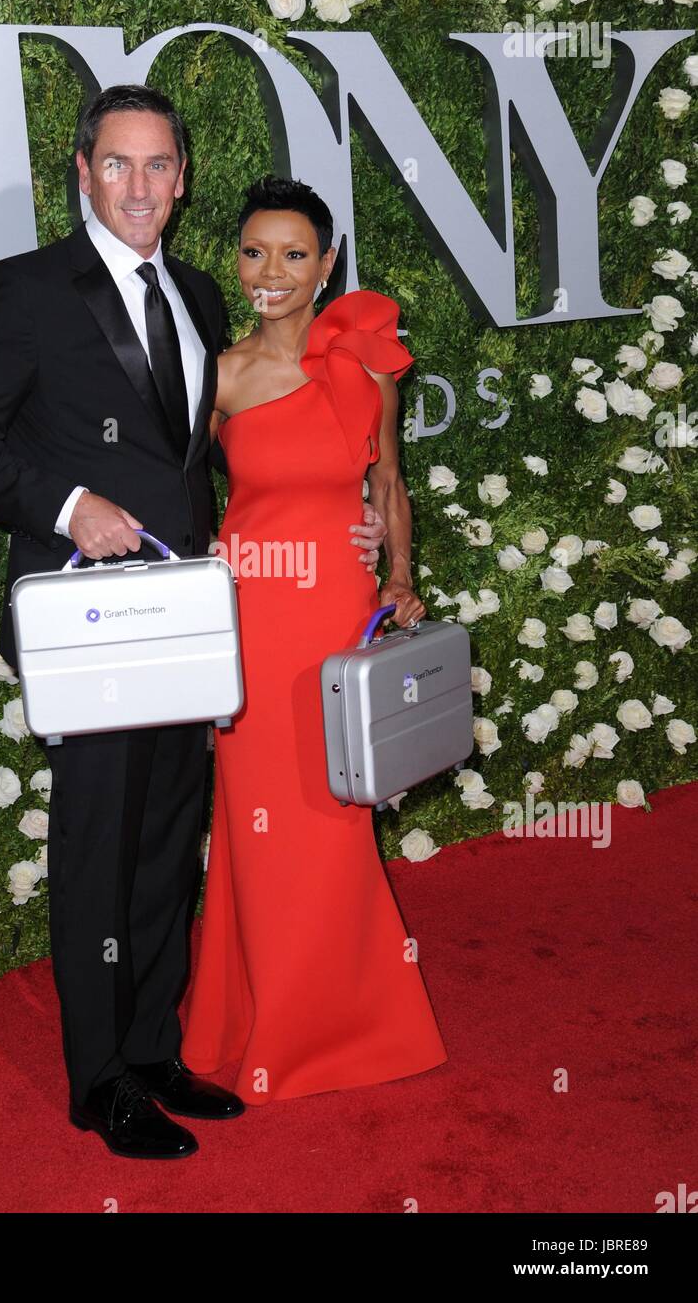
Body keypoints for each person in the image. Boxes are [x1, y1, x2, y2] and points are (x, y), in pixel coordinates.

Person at [0, 86, 388, 1159]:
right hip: (89, 621)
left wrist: (349, 524)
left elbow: (226, 456)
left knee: (167, 839)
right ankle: (100, 1085)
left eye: (159, 166)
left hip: (189, 619)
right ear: (82, 171)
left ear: (182, 179)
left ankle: (151, 1049)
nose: (140, 186)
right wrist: (65, 506)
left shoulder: (195, 294)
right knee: (100, 841)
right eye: (119, 165)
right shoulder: (27, 289)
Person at [181, 175, 448, 1101]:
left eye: (294, 254)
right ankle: (253, 1019)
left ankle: (344, 1022)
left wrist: (401, 574)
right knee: (256, 827)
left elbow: (388, 486)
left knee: (333, 820)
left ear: (327, 265)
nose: (272, 272)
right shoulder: (215, 374)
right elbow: (183, 494)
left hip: (337, 606)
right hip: (252, 611)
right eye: (255, 252)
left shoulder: (364, 361)